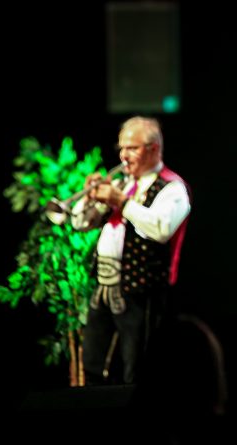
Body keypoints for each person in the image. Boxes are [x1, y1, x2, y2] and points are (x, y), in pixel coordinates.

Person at [72, 116, 191, 385]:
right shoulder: (123, 183)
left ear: (153, 149)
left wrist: (121, 202)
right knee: (92, 361)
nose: (124, 156)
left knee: (135, 369)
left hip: (141, 291)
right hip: (103, 287)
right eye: (122, 148)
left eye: (132, 148)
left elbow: (160, 229)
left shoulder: (173, 188)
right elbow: (79, 223)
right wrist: (89, 197)